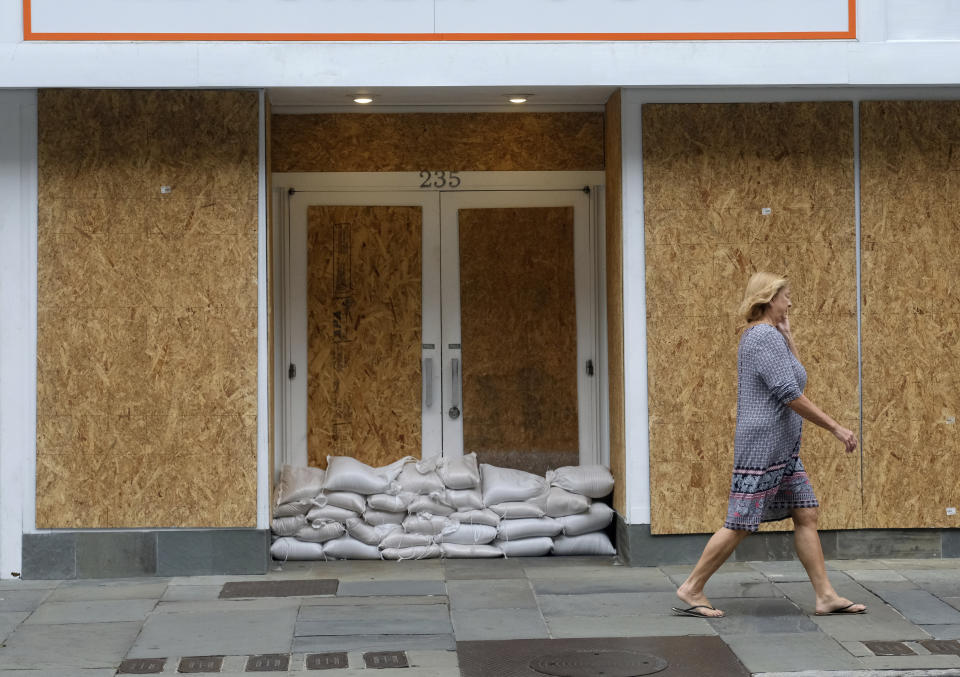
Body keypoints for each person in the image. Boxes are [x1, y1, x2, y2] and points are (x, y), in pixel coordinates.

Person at [673, 272, 866, 619]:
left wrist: (790, 337)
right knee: (741, 521)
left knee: (806, 512)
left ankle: (825, 595)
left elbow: (797, 375)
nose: (790, 302)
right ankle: (692, 587)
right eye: (786, 296)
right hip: (763, 446)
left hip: (783, 449)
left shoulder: (773, 337)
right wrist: (836, 427)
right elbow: (791, 393)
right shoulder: (761, 337)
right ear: (768, 298)